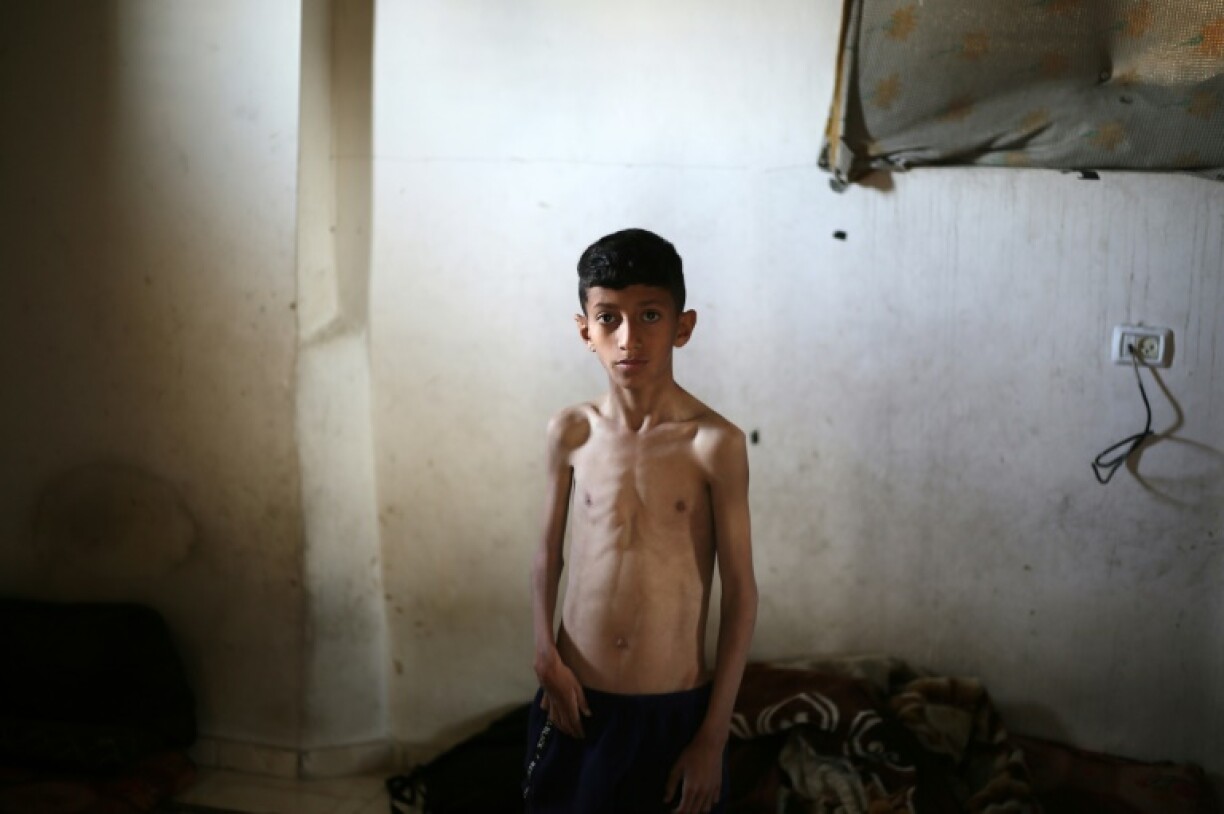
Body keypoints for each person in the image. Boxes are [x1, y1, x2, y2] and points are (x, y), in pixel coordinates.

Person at [525, 228, 758, 813]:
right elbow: (548, 553)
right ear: (585, 330)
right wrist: (545, 654)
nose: (629, 338)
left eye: (650, 315)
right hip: (574, 698)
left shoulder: (714, 444)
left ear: (683, 326)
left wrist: (712, 736)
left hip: (670, 710)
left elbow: (741, 593)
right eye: (609, 318)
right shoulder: (571, 431)